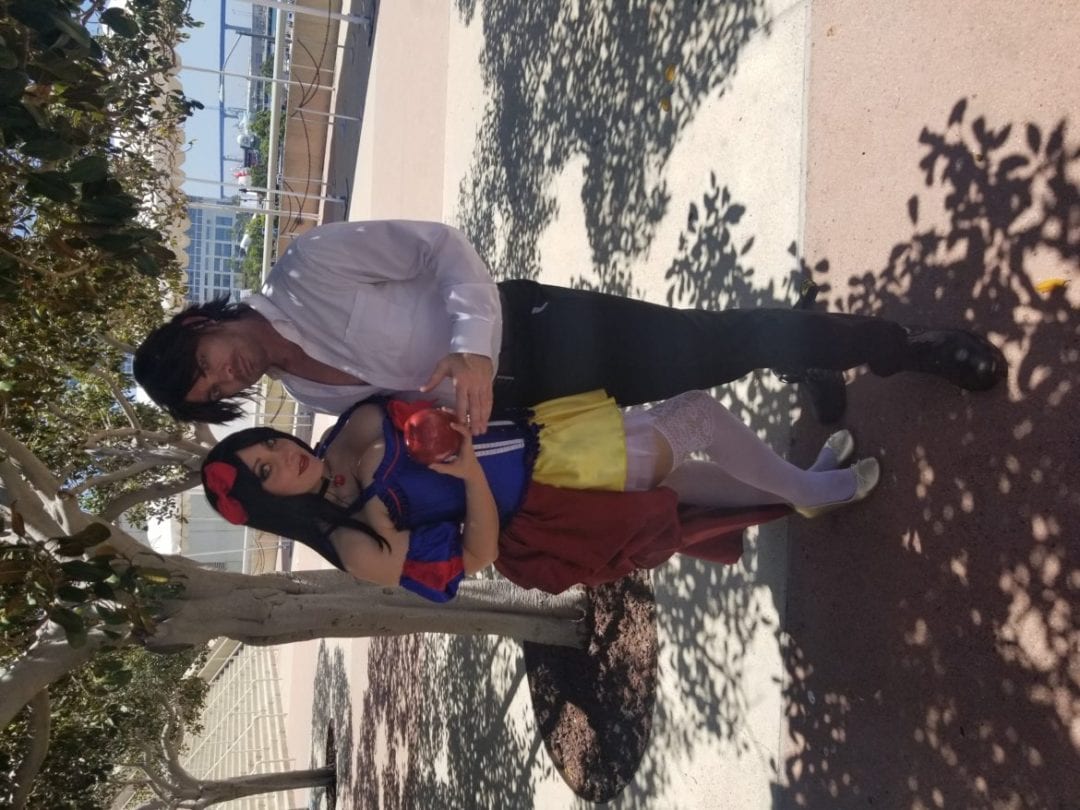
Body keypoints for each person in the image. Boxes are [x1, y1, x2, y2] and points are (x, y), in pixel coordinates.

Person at [135, 220, 1005, 432]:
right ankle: (794, 357)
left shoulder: (306, 268)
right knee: (697, 365)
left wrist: (471, 347)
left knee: (716, 336)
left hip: (535, 327)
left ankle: (900, 348)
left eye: (203, 363)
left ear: (199, 324)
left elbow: (443, 247)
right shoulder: (309, 396)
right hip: (530, 399)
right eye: (210, 393)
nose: (223, 378)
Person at [201, 389, 879, 601]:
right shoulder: (355, 543)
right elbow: (475, 557)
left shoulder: (342, 430)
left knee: (679, 485)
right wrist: (468, 474)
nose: (282, 456)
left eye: (266, 446)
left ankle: (802, 487)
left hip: (548, 438)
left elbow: (441, 401)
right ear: (273, 504)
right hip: (552, 496)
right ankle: (811, 488)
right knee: (697, 417)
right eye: (266, 473)